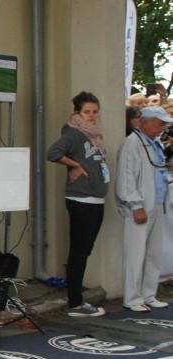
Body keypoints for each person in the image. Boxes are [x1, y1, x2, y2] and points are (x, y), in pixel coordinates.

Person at [46, 91, 109, 317]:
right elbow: (53, 153)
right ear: (77, 112)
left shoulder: (95, 135)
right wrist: (74, 166)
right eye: (86, 112)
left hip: (95, 198)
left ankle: (76, 299)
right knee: (79, 252)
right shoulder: (73, 133)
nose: (91, 116)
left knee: (85, 250)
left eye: (94, 112)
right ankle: (75, 302)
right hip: (81, 199)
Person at [115, 105, 172, 312]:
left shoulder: (154, 143)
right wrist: (135, 205)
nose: (162, 128)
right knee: (135, 254)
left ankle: (148, 294)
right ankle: (132, 298)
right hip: (140, 206)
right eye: (159, 123)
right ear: (145, 122)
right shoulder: (132, 144)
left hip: (157, 203)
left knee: (153, 253)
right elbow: (126, 178)